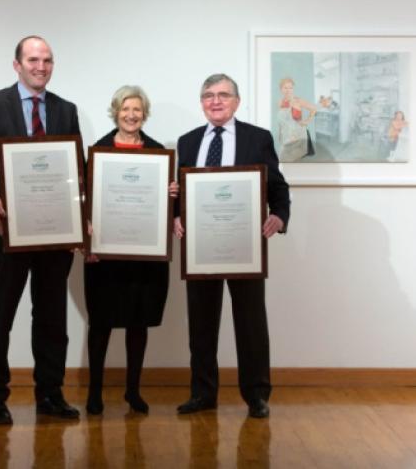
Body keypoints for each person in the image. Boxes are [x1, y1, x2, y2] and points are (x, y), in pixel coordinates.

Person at [0, 36, 82, 425]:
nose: (40, 66)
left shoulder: (65, 109)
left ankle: (50, 394)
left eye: (47, 60)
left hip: (54, 234)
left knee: (51, 318)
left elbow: (74, 168)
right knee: (1, 315)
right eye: (32, 59)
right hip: (6, 232)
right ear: (17, 65)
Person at [174, 73, 290, 419]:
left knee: (251, 323)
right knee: (201, 324)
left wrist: (280, 216)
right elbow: (180, 190)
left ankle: (256, 396)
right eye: (208, 95)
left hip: (245, 246)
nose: (216, 101)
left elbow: (278, 186)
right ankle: (202, 394)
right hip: (200, 246)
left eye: (223, 94)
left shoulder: (258, 138)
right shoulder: (188, 141)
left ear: (236, 101)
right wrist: (174, 216)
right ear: (202, 102)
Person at [83, 85, 178, 415]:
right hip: (104, 255)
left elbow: (171, 207)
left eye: (137, 109)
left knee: (138, 323)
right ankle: (94, 392)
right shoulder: (98, 151)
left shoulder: (157, 153)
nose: (131, 115)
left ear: (144, 114)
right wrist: (87, 238)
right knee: (102, 323)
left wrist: (172, 192)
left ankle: (132, 392)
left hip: (144, 255)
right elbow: (85, 200)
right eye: (125, 109)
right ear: (115, 111)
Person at [276, 77, 317, 162]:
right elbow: (282, 121)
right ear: (281, 89)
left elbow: (314, 109)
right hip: (285, 136)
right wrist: (280, 133)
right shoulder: (280, 102)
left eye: (290, 88)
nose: (288, 90)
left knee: (294, 162)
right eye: (285, 88)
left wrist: (307, 121)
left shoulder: (298, 101)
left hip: (297, 136)